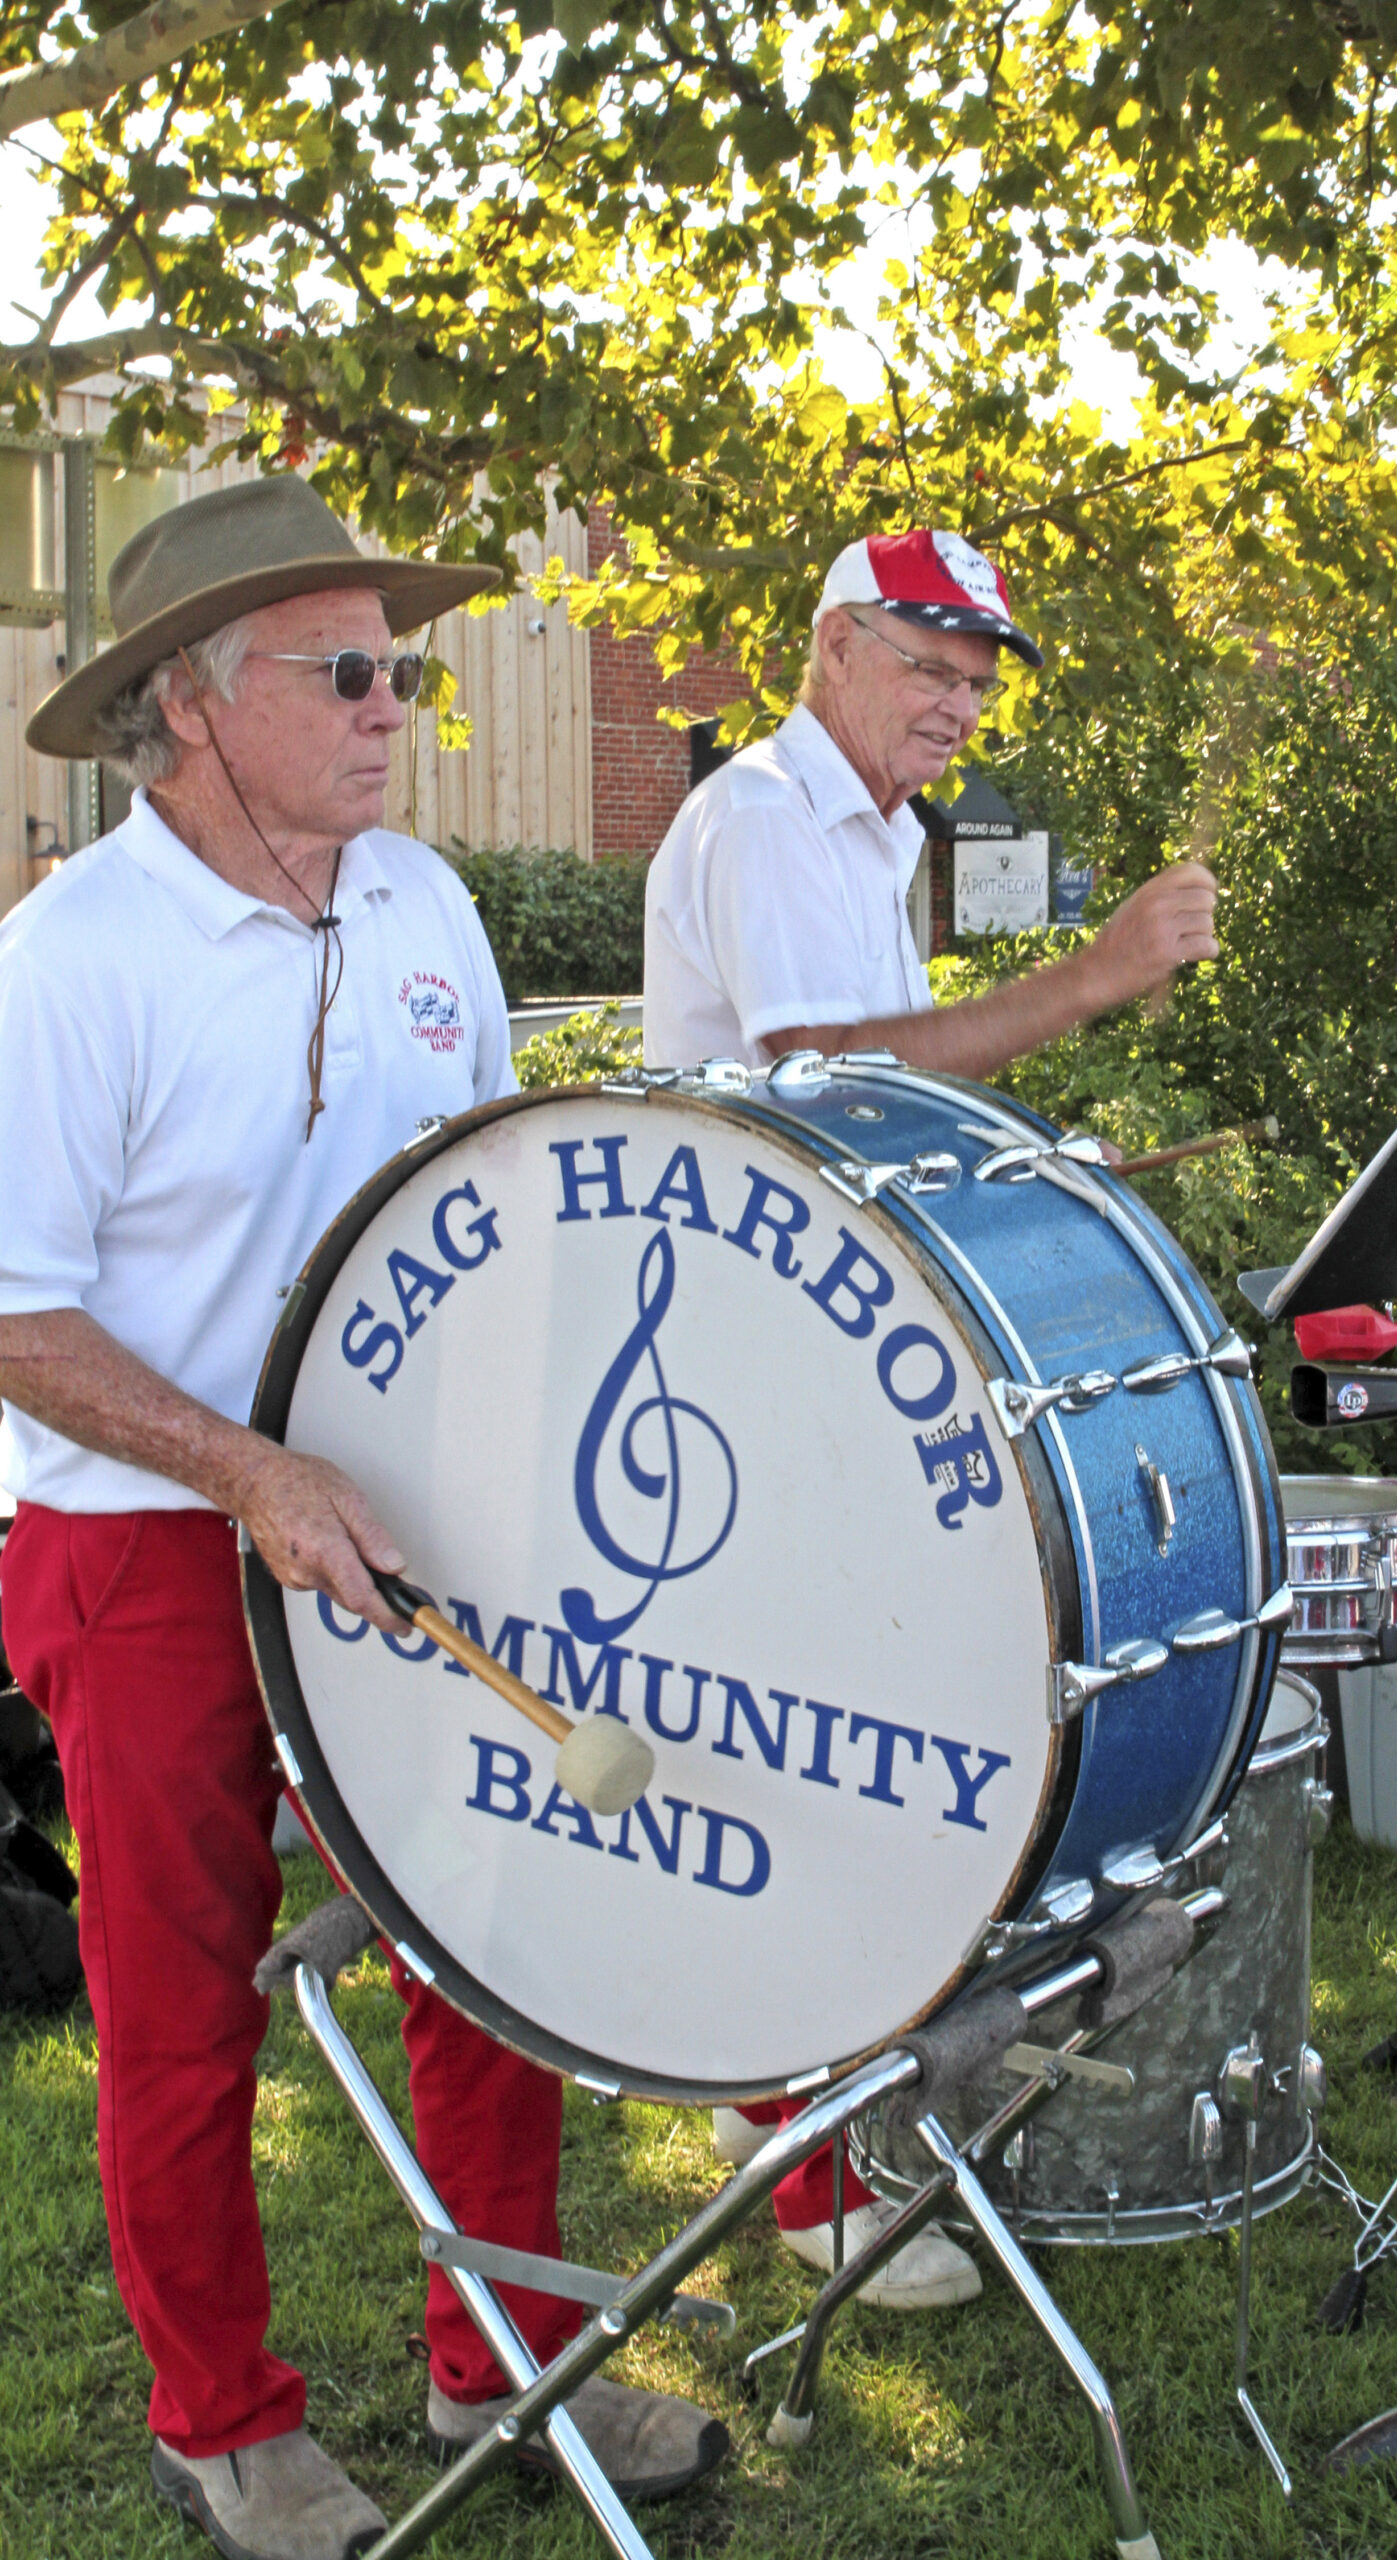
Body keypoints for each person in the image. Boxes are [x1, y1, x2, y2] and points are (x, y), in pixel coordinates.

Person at [0, 476, 726, 2560]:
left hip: (417, 1521)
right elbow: (7, 1302)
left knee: (481, 1944)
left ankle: (494, 2345)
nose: (393, 699)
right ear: (194, 705)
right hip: (141, 1536)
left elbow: (489, 1197)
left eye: (396, 662)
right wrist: (246, 1469)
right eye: (349, 667)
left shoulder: (420, 903)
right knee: (182, 1990)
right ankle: (219, 2414)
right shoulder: (73, 959)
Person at [643, 526, 1219, 2308]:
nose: (959, 705)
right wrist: (1093, 980)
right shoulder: (764, 818)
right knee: (796, 1750)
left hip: (806, 1328)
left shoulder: (866, 831)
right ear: (831, 648)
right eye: (929, 665)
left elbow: (866, 1101)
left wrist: (1023, 1156)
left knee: (801, 1745)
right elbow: (819, 1069)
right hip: (752, 1353)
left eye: (977, 680)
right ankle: (794, 2160)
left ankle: (789, 2117)